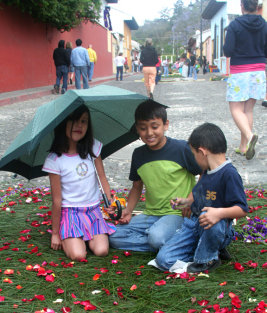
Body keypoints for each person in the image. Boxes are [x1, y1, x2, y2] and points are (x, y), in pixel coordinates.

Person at [109, 100, 202, 253]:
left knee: (156, 238)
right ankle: (169, 240)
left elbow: (205, 174)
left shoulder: (181, 149)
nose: (149, 133)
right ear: (137, 129)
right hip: (151, 214)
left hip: (177, 213)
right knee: (114, 236)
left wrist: (191, 200)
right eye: (143, 128)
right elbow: (136, 186)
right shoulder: (138, 154)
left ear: (166, 125)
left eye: (154, 126)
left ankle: (161, 238)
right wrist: (128, 209)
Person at [154, 123, 248, 274]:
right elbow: (199, 193)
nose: (194, 158)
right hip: (194, 224)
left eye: (193, 154)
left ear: (202, 152)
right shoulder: (206, 171)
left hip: (217, 227)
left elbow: (242, 209)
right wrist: (186, 201)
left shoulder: (229, 174)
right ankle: (211, 249)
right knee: (164, 259)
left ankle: (206, 260)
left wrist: (219, 213)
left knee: (208, 215)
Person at [42, 105, 116, 261]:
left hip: (93, 211)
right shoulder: (55, 160)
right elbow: (56, 200)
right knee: (78, 255)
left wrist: (110, 200)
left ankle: (86, 236)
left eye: (84, 121)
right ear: (63, 124)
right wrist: (55, 233)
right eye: (74, 121)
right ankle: (69, 234)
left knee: (101, 250)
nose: (79, 125)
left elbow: (102, 177)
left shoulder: (93, 147)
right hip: (71, 213)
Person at [223, 0, 267, 159]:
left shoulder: (235, 25)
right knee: (248, 109)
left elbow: (228, 51)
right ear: (257, 7)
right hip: (259, 72)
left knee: (235, 108)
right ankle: (243, 147)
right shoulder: (264, 24)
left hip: (240, 71)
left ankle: (249, 137)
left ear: (242, 6)